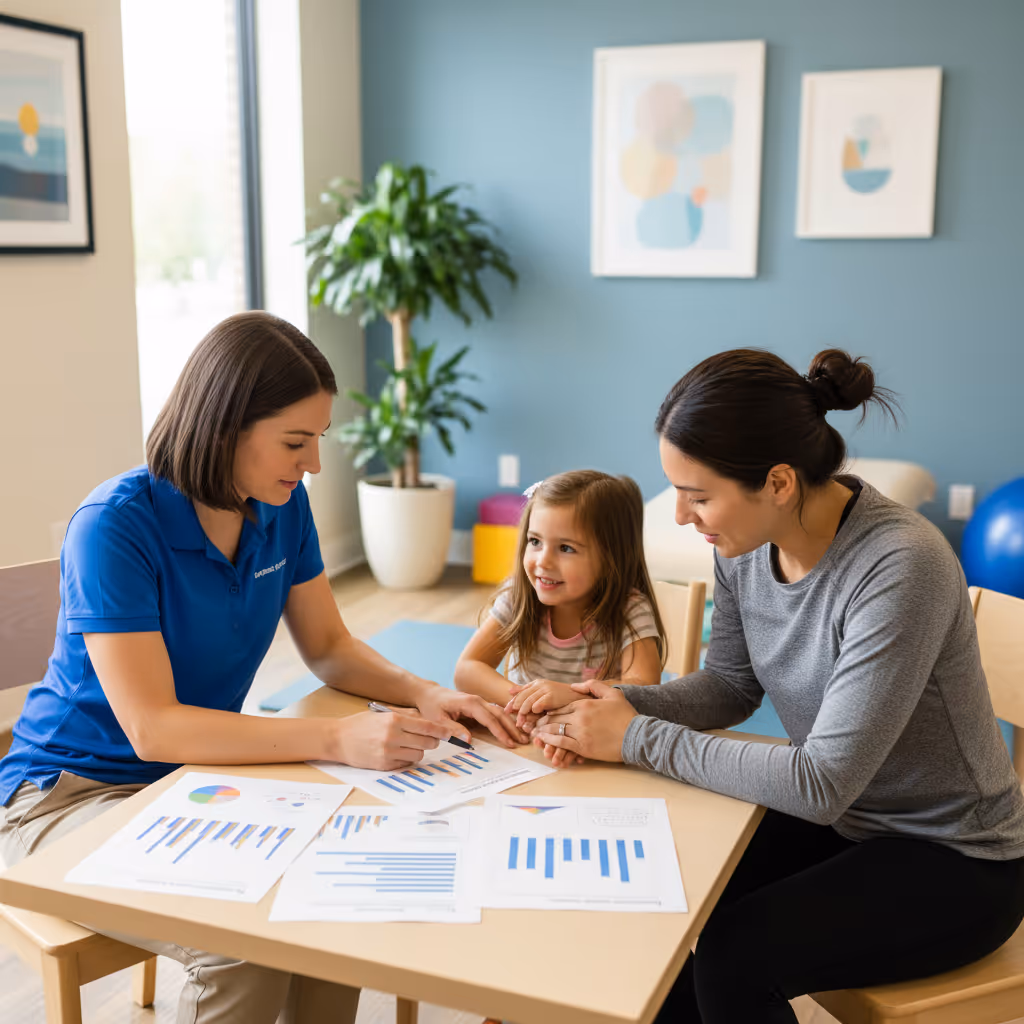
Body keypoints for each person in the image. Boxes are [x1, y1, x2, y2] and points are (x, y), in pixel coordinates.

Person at [0, 311, 524, 1024]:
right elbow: (153, 730)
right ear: (223, 428)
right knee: (240, 944)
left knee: (335, 891)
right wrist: (339, 740)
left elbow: (331, 648)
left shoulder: (282, 506)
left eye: (317, 441)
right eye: (294, 442)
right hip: (66, 797)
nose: (312, 464)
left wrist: (428, 694)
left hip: (193, 781)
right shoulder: (115, 526)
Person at [530, 349, 1024, 1023]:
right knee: (663, 894)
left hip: (956, 859)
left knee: (737, 951)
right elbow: (730, 685)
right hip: (854, 823)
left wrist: (636, 737)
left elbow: (820, 783)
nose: (680, 515)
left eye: (698, 495)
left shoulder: (901, 565)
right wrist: (613, 704)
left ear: (781, 482)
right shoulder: (744, 544)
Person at [455, 470, 666, 740]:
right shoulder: (518, 595)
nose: (543, 561)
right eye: (535, 541)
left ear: (611, 556)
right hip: (530, 743)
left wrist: (566, 695)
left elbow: (645, 687)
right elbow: (467, 669)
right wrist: (527, 702)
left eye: (565, 548)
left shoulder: (630, 609)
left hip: (595, 745)